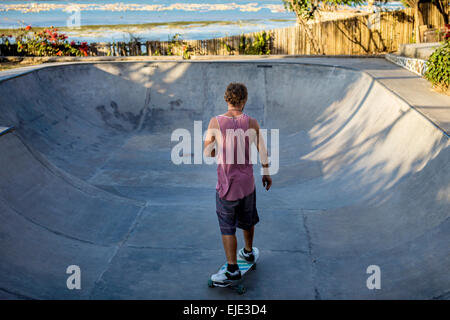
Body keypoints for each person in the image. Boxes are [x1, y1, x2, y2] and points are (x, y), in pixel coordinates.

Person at [204, 82, 272, 282]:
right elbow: (263, 150)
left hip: (227, 186)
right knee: (247, 219)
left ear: (226, 99)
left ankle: (233, 269)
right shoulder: (251, 122)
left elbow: (208, 153)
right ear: (244, 101)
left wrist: (218, 149)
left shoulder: (215, 122)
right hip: (247, 184)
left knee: (227, 226)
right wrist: (266, 173)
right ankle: (249, 251)